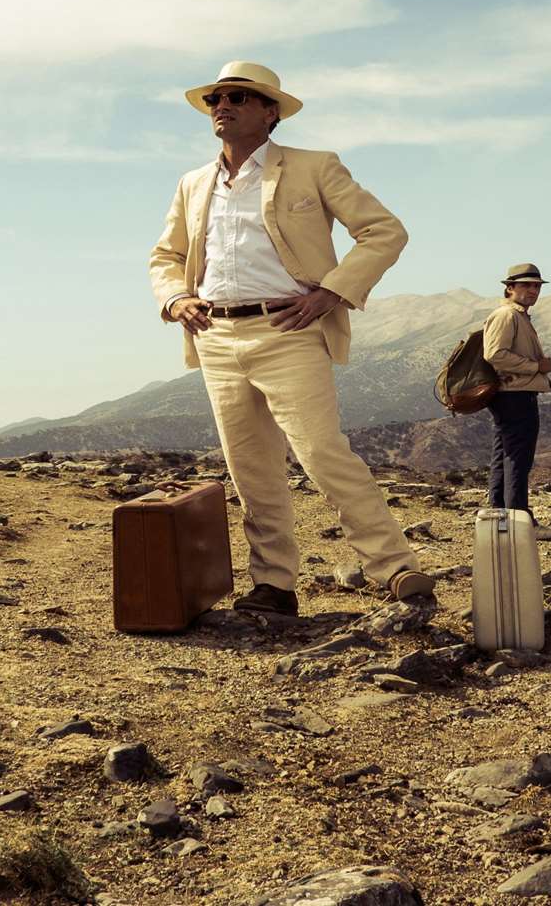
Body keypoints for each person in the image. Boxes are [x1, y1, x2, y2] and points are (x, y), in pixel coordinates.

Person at [149, 61, 436, 617]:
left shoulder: (313, 167)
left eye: (238, 98)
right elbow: (166, 254)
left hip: (288, 331)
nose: (222, 107)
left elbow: (384, 231)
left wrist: (332, 291)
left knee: (321, 451)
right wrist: (173, 298)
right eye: (215, 100)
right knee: (250, 466)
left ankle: (394, 567)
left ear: (270, 112)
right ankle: (274, 586)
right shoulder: (192, 183)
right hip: (215, 334)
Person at [482, 263, 551, 514]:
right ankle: (518, 517)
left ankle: (499, 513)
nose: (533, 290)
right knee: (518, 458)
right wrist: (536, 367)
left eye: (536, 286)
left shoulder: (517, 315)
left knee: (505, 455)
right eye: (526, 285)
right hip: (514, 394)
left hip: (511, 394)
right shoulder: (507, 316)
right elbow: (494, 354)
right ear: (510, 288)